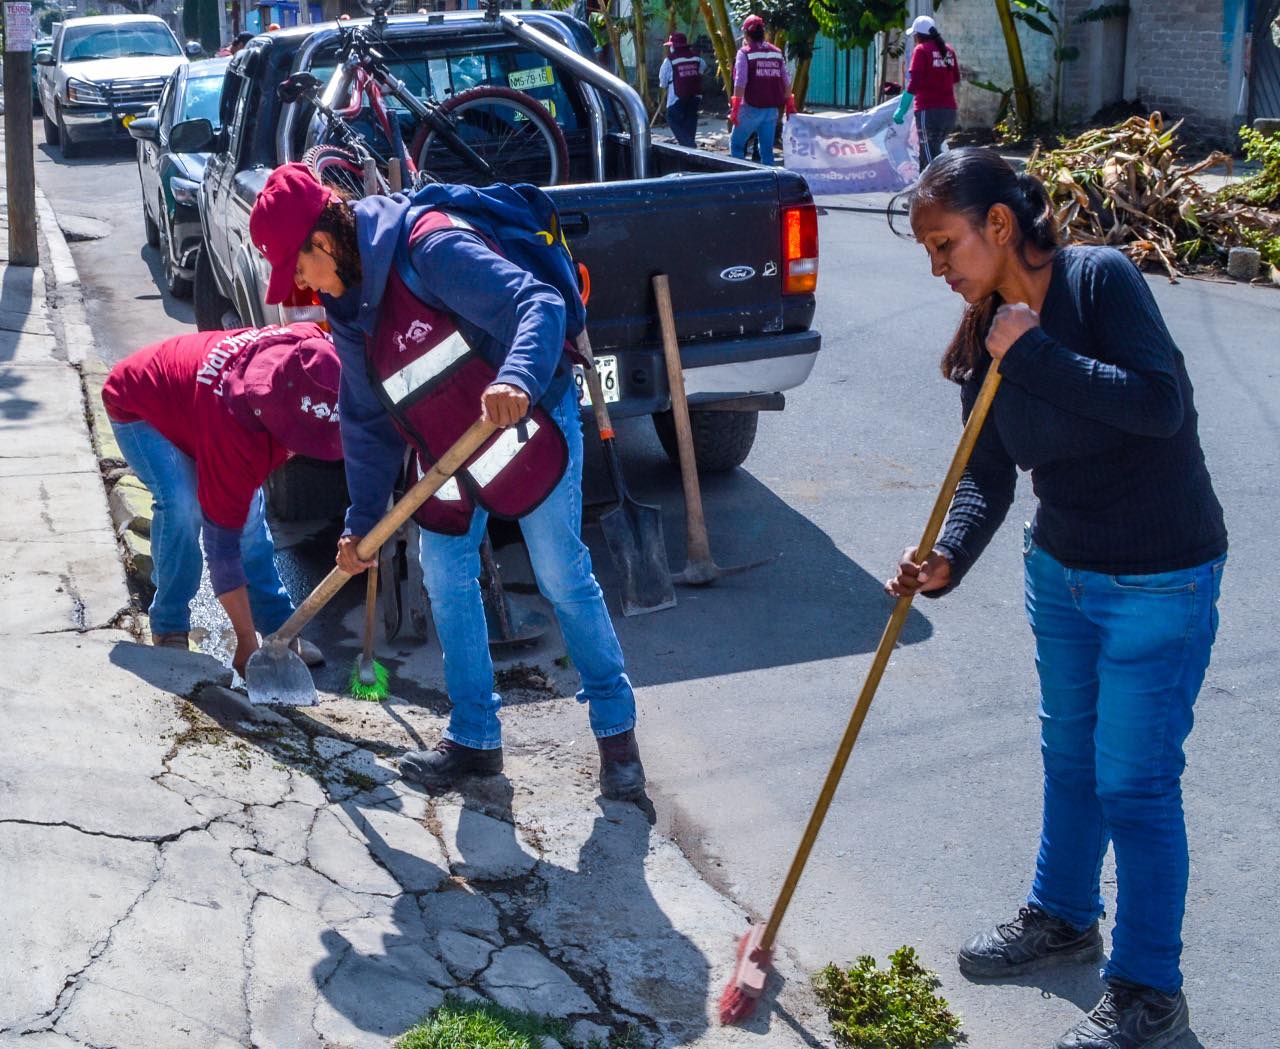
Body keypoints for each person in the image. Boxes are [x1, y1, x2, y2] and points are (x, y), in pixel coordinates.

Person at [889, 148, 1227, 1049]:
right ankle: (1063, 917)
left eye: (945, 244)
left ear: (999, 226)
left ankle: (1151, 993)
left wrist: (1034, 349)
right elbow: (986, 476)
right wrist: (947, 558)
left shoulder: (1097, 282)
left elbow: (1161, 405)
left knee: (1137, 785)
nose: (938, 267)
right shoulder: (985, 333)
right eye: (928, 251)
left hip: (1160, 574)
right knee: (1071, 760)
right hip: (1063, 573)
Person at [247, 164, 647, 802]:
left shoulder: (429, 247)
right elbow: (367, 422)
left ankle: (617, 737)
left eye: (298, 269)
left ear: (323, 243)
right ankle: (474, 741)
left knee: (560, 573)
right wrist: (362, 526)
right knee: (447, 580)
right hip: (445, 447)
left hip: (524, 418)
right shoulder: (348, 310)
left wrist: (516, 377)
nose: (299, 288)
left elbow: (535, 303)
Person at [102, 324, 344, 675]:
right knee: (183, 506)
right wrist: (245, 645)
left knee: (248, 519)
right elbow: (222, 549)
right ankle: (170, 625)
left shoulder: (314, 351)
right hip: (140, 407)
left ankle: (279, 629)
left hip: (194, 408)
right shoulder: (236, 430)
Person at [893, 15, 960, 171]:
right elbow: (955, 78)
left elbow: (914, 83)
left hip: (928, 111)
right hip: (949, 112)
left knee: (930, 159)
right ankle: (925, 192)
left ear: (917, 35)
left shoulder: (921, 50)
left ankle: (935, 192)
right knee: (933, 154)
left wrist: (901, 109)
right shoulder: (949, 50)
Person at [729, 14, 796, 167]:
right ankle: (769, 184)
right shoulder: (776, 52)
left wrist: (735, 108)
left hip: (749, 109)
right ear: (763, 33)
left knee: (737, 146)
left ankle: (740, 181)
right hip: (771, 111)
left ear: (746, 34)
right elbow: (786, 80)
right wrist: (790, 104)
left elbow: (740, 82)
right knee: (766, 152)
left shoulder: (744, 53)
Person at [658, 31, 706, 149]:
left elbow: (663, 81)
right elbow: (702, 69)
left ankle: (689, 146)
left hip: (677, 97)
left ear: (673, 46)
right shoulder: (696, 57)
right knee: (690, 120)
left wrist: (666, 85)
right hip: (695, 96)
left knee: (672, 118)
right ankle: (689, 148)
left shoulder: (670, 60)